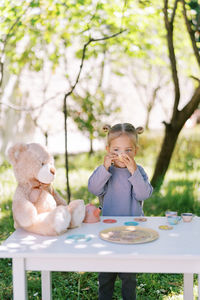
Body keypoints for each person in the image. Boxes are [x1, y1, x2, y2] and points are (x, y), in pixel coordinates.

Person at [88, 123, 153, 300]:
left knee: (129, 276)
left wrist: (133, 172)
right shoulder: (106, 171)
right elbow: (94, 189)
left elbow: (144, 193)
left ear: (135, 151)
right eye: (116, 150)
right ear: (108, 149)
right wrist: (104, 169)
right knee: (106, 276)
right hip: (107, 231)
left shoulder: (138, 171)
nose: (122, 155)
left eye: (128, 150)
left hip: (133, 232)